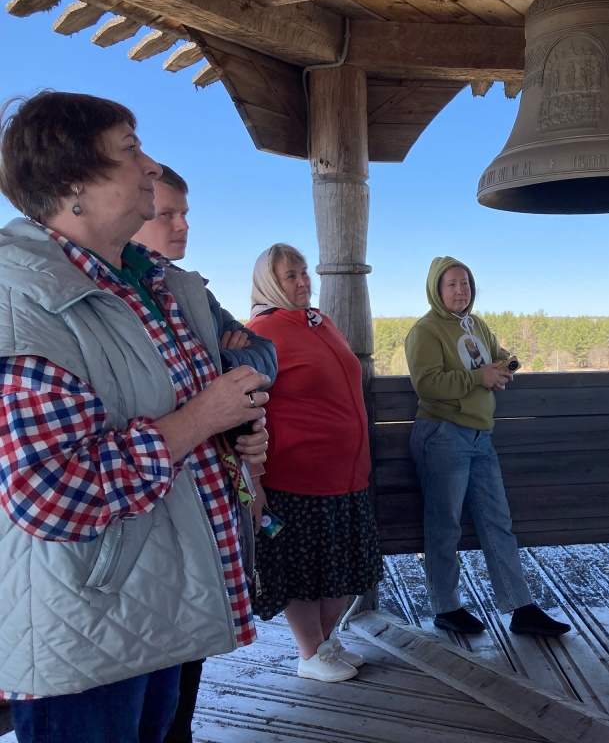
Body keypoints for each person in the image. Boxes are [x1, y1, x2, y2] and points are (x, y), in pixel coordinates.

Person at [0, 90, 271, 743]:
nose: (151, 166)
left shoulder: (160, 287)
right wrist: (201, 420)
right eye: (130, 150)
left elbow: (195, 398)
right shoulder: (23, 303)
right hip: (88, 623)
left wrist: (231, 436)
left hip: (161, 604)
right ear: (72, 186)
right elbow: (52, 494)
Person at [132, 164, 278, 743]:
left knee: (182, 674)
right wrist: (217, 388)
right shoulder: (106, 296)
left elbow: (264, 354)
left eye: (185, 213)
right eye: (165, 213)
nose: (182, 225)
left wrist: (225, 381)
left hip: (204, 516)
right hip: (141, 526)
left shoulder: (189, 290)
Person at [404, 257, 571, 637]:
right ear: (436, 289)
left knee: (498, 521)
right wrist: (480, 376)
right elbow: (428, 384)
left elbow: (496, 355)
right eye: (451, 284)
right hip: (443, 434)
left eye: (465, 283)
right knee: (444, 523)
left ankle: (520, 606)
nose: (460, 290)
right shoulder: (425, 331)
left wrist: (506, 365)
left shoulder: (475, 325)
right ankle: (446, 606)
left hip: (481, 435)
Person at [245, 243, 383, 683]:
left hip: (346, 476)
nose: (303, 281)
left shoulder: (320, 320)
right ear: (271, 282)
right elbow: (248, 411)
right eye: (290, 275)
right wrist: (254, 481)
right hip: (295, 479)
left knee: (342, 566)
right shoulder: (261, 333)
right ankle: (310, 652)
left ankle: (326, 644)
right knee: (303, 571)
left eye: (304, 272)